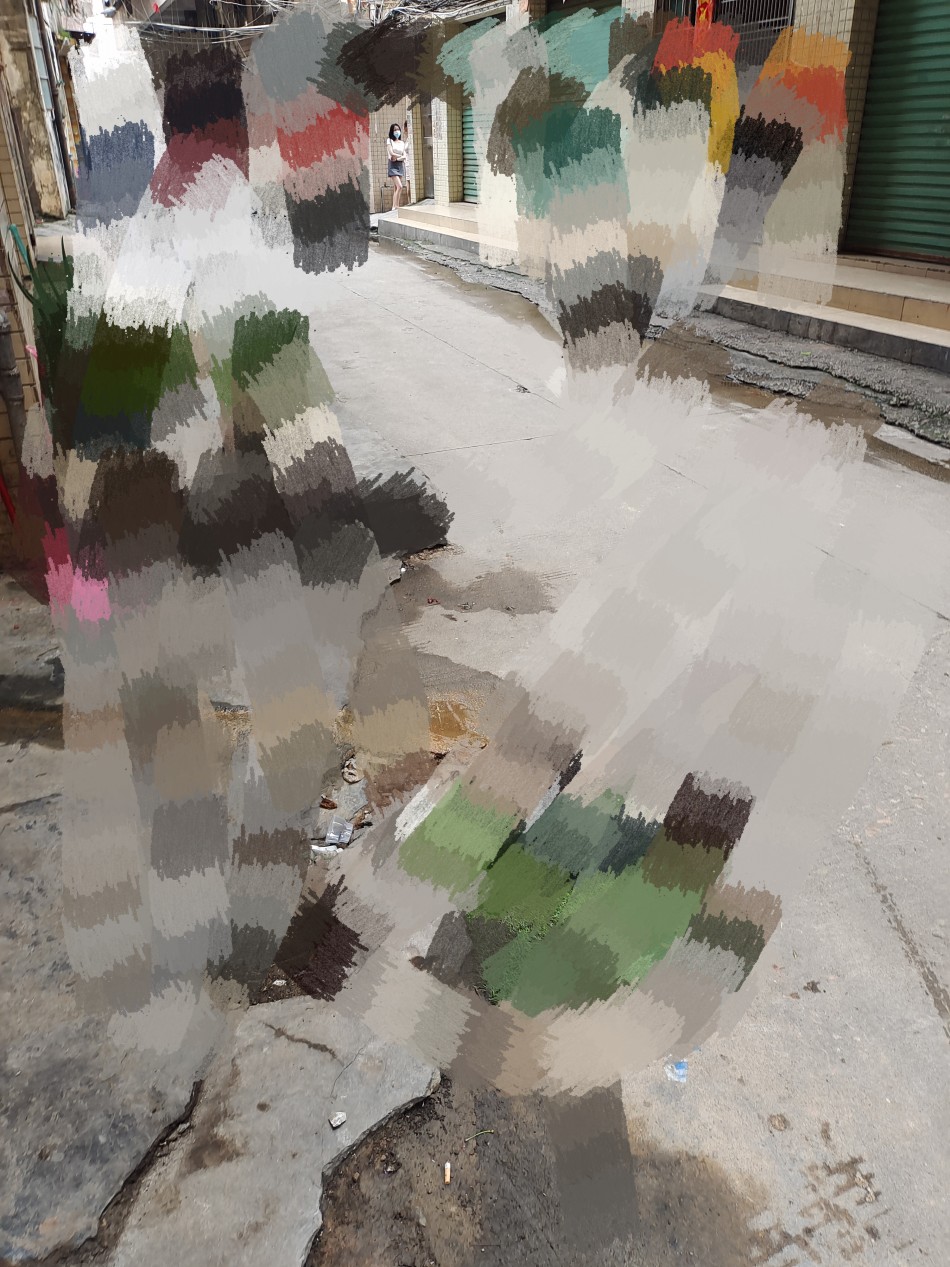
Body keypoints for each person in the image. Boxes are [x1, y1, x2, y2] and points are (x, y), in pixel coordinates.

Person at [386, 120, 409, 212]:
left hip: (399, 165)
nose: (397, 131)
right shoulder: (389, 140)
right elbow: (391, 153)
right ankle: (394, 207)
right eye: (395, 130)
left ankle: (396, 205)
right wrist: (399, 156)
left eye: (398, 129)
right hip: (392, 165)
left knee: (396, 187)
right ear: (392, 131)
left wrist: (397, 158)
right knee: (400, 186)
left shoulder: (402, 143)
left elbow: (404, 156)